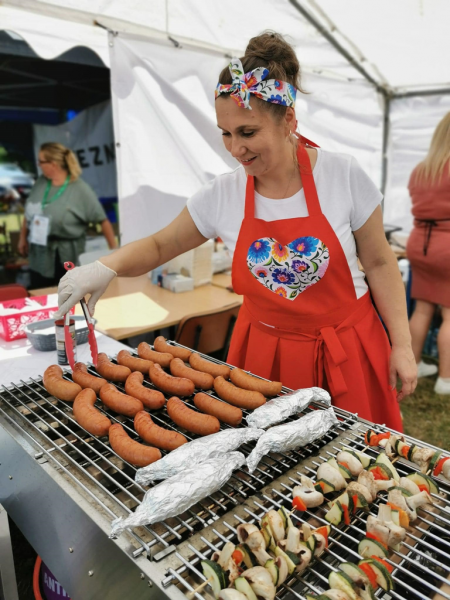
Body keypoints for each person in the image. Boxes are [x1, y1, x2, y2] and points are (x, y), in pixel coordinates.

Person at [56, 33, 416, 429]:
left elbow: (381, 263)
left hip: (346, 346)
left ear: (289, 121)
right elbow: (162, 243)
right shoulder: (222, 194)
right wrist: (104, 266)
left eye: (247, 132)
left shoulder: (343, 175)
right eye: (225, 133)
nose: (234, 148)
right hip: (263, 355)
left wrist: (401, 344)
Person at [18, 142, 117, 288]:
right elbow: (30, 211)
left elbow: (103, 220)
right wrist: (22, 238)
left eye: (41, 161)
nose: (38, 164)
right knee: (40, 292)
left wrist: (114, 255)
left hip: (67, 253)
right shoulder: (41, 183)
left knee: (67, 296)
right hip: (40, 255)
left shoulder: (79, 188)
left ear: (53, 164)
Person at [406, 112, 450, 395]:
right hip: (446, 247)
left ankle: (415, 363)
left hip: (419, 243)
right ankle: (446, 380)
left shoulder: (421, 170)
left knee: (422, 309)